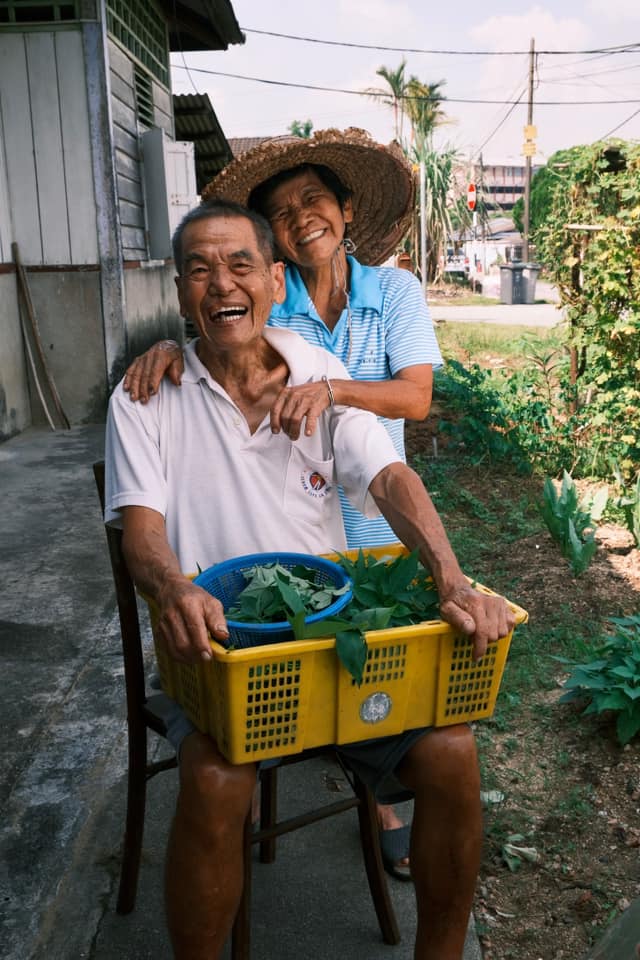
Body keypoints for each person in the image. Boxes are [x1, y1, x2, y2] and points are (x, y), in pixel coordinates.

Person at [105, 197, 515, 960]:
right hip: (222, 648)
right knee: (218, 777)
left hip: (330, 647)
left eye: (239, 265)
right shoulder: (147, 393)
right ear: (178, 288)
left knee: (452, 750)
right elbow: (142, 532)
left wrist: (452, 578)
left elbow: (388, 477)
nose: (220, 284)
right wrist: (173, 589)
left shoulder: (317, 373)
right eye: (198, 269)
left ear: (273, 277)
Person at [123, 128, 443, 877]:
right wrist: (167, 350)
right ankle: (301, 778)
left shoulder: (391, 292)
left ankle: (383, 798)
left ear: (347, 209)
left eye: (315, 200)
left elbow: (415, 398)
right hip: (306, 509)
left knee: (396, 684)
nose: (303, 218)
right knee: (276, 640)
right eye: (283, 207)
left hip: (374, 507)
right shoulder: (273, 305)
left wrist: (331, 389)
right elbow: (223, 336)